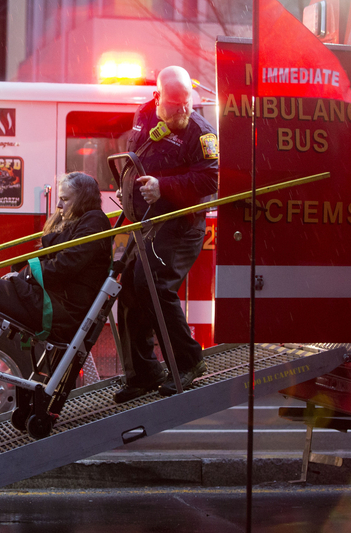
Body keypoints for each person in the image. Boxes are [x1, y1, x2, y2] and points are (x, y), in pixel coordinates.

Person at [113, 66, 219, 403]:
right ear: (158, 98)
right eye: (175, 105)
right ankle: (143, 373)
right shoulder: (144, 114)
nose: (184, 111)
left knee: (154, 284)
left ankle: (188, 361)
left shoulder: (201, 133)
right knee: (128, 286)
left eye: (187, 103)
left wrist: (165, 187)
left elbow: (210, 180)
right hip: (147, 222)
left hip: (181, 225)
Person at [0, 171, 112, 363]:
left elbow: (65, 266)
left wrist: (23, 277)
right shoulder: (83, 222)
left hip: (59, 310)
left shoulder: (95, 221)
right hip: (54, 302)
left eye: (64, 199)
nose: (59, 205)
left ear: (83, 199)